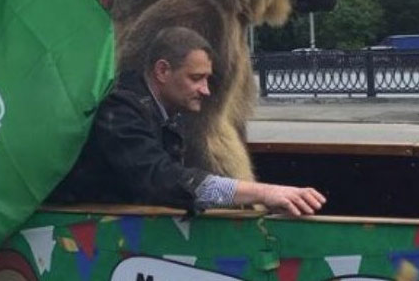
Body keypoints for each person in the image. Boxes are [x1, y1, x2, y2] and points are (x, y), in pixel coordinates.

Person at [50, 27, 326, 216]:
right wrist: (263, 193)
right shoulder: (120, 109)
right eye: (196, 78)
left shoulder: (159, 108)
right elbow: (162, 179)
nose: (205, 90)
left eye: (206, 78)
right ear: (162, 71)